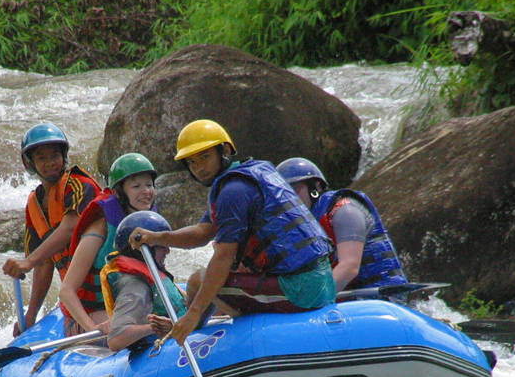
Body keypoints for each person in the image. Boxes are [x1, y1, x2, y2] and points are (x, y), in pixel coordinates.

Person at [128, 119, 335, 346]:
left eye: (205, 157)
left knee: (201, 280)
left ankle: (195, 328)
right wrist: (159, 236)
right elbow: (203, 232)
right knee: (199, 281)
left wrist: (193, 313)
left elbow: (224, 256)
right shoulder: (251, 174)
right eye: (192, 162)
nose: (199, 167)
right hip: (317, 280)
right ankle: (187, 326)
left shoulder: (233, 191)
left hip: (300, 289)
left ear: (224, 151)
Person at [1, 122, 102, 333]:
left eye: (55, 155)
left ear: (63, 157)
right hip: (77, 300)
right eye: (42, 158)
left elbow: (69, 228)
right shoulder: (34, 205)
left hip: (106, 291)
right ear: (30, 163)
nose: (50, 163)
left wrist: (27, 261)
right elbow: (44, 264)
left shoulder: (79, 184)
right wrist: (31, 315)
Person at [58, 152, 158, 335]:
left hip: (129, 305)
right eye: (136, 186)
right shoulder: (100, 228)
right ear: (119, 193)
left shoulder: (149, 223)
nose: (146, 192)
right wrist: (92, 328)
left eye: (149, 185)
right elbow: (66, 291)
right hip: (91, 315)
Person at [276, 156, 409, 292]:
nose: (292, 200)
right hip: (349, 300)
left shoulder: (345, 210)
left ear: (314, 188)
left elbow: (350, 267)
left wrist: (314, 299)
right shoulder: (302, 227)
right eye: (286, 195)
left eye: (296, 191)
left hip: (384, 296)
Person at [99, 210, 182, 352]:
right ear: (143, 251)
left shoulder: (152, 277)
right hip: (154, 351)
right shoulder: (135, 286)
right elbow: (116, 339)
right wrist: (154, 327)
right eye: (162, 245)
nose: (167, 251)